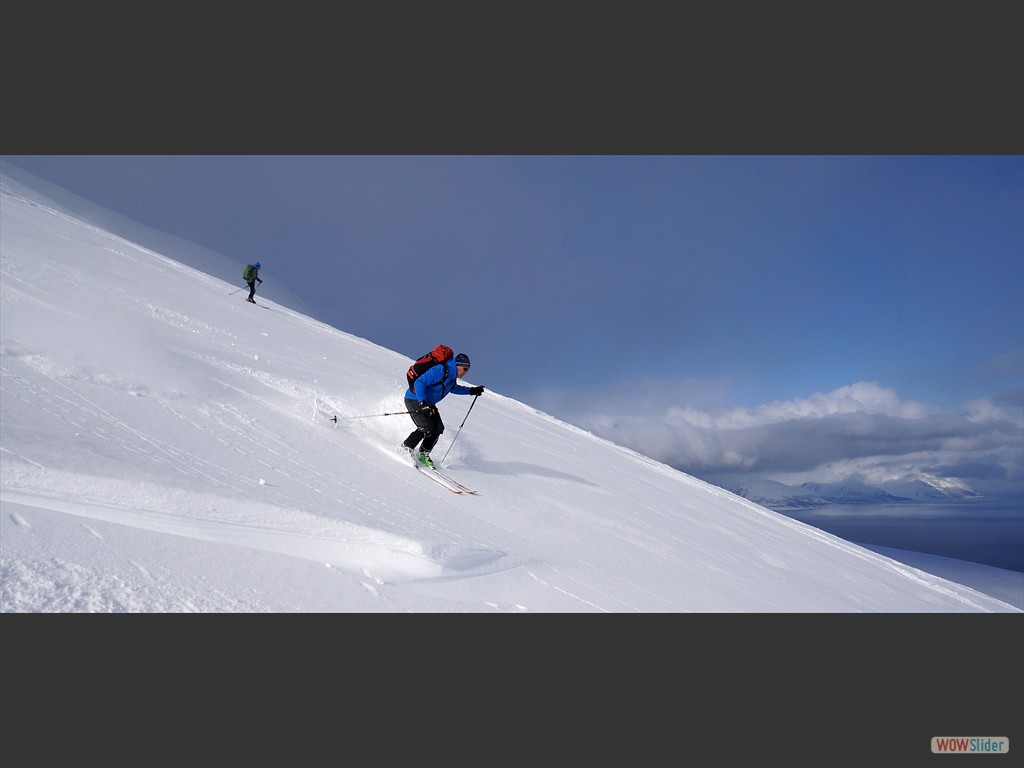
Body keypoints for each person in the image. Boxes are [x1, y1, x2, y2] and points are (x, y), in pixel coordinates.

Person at [402, 352, 484, 467]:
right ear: (457, 365)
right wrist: (422, 402)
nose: (466, 372)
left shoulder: (451, 377)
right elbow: (419, 382)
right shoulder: (440, 370)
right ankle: (405, 448)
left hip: (428, 403)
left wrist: (472, 391)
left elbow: (453, 388)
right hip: (415, 399)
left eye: (467, 370)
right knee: (425, 427)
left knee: (438, 427)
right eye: (465, 369)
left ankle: (423, 453)